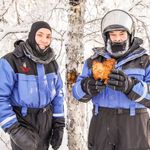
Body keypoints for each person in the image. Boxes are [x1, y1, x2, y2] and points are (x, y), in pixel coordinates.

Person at [72, 9, 150, 150]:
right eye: (113, 35)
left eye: (122, 34)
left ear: (130, 35)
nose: (118, 38)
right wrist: (86, 86)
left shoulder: (145, 61)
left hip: (134, 126)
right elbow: (76, 93)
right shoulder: (93, 61)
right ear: (106, 37)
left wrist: (131, 86)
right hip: (101, 123)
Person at [0, 21, 65, 150]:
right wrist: (14, 129)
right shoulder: (11, 61)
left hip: (46, 122)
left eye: (48, 36)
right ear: (31, 36)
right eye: (40, 35)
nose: (44, 40)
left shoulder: (51, 63)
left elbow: (58, 94)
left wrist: (59, 124)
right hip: (22, 123)